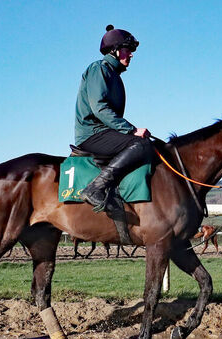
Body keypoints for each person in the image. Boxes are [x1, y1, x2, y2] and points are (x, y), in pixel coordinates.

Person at [74, 25, 153, 245]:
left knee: (145, 144)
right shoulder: (99, 69)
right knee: (141, 145)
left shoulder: (114, 75)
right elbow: (99, 108)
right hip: (92, 133)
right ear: (115, 50)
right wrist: (131, 130)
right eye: (127, 49)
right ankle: (95, 188)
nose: (131, 54)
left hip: (104, 131)